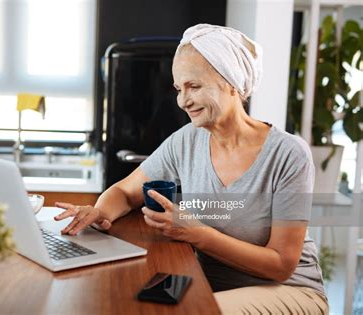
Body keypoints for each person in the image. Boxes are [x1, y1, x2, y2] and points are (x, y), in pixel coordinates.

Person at [54, 24, 328, 314]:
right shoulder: (187, 141)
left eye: (194, 86)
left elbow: (282, 266)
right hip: (211, 284)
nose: (183, 101)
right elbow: (125, 191)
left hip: (289, 290)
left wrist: (195, 232)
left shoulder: (288, 154)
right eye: (178, 89)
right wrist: (100, 211)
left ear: (231, 82)